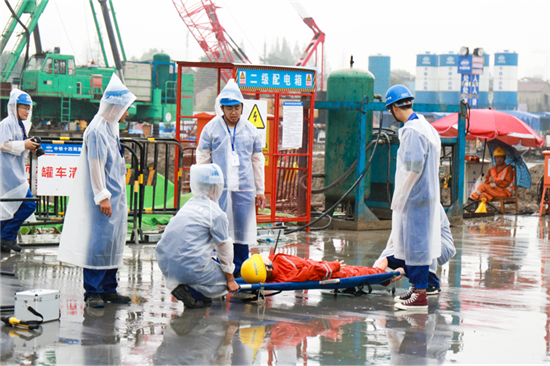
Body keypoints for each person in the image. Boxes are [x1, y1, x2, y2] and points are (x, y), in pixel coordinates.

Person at [57, 74, 135, 308]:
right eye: (126, 108)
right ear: (116, 106)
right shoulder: (97, 129)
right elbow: (96, 165)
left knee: (113, 242)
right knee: (99, 242)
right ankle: (93, 291)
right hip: (104, 198)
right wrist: (102, 196)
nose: (128, 113)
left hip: (116, 197)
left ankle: (109, 288)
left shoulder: (111, 127)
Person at [196, 79, 265, 277]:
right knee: (220, 230)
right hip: (219, 191)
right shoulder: (210, 129)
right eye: (229, 108)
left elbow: (257, 161)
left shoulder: (251, 130)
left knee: (242, 232)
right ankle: (220, 272)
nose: (233, 112)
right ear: (221, 108)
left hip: (244, 191)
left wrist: (260, 190)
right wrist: (204, 191)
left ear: (242, 107)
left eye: (237, 107)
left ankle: (242, 272)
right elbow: (202, 161)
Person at [385, 85, 442, 311]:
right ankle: (418, 287)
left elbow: (413, 168)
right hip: (425, 195)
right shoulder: (426, 127)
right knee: (417, 244)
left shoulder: (412, 131)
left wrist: (399, 198)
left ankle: (419, 294)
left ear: (393, 109)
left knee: (416, 246)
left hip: (415, 196)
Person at [156, 164, 240, 309]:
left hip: (166, 263)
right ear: (216, 187)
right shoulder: (216, 213)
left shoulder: (188, 205)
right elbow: (224, 248)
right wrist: (231, 280)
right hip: (189, 266)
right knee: (224, 282)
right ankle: (192, 292)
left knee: (206, 265)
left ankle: (195, 294)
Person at [374, 204, 456, 299]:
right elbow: (394, 241)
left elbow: (427, 238)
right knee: (386, 262)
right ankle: (415, 275)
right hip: (416, 246)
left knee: (417, 243)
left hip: (441, 246)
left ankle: (431, 283)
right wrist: (378, 269)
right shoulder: (402, 203)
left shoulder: (427, 200)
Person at [0, 89, 39, 253]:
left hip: (15, 173)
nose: (27, 111)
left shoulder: (20, 125)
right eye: (24, 107)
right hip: (8, 174)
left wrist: (29, 146)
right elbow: (4, 145)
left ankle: (3, 240)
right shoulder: (7, 123)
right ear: (14, 107)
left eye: (28, 108)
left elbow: (16, 146)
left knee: (7, 208)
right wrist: (24, 145)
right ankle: (7, 236)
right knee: (29, 204)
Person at [240, 253, 403, 284]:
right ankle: (386, 275)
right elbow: (310, 272)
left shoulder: (276, 266)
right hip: (327, 272)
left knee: (358, 270)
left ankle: (381, 275)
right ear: (266, 268)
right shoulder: (285, 275)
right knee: (356, 272)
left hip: (320, 266)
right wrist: (333, 266)